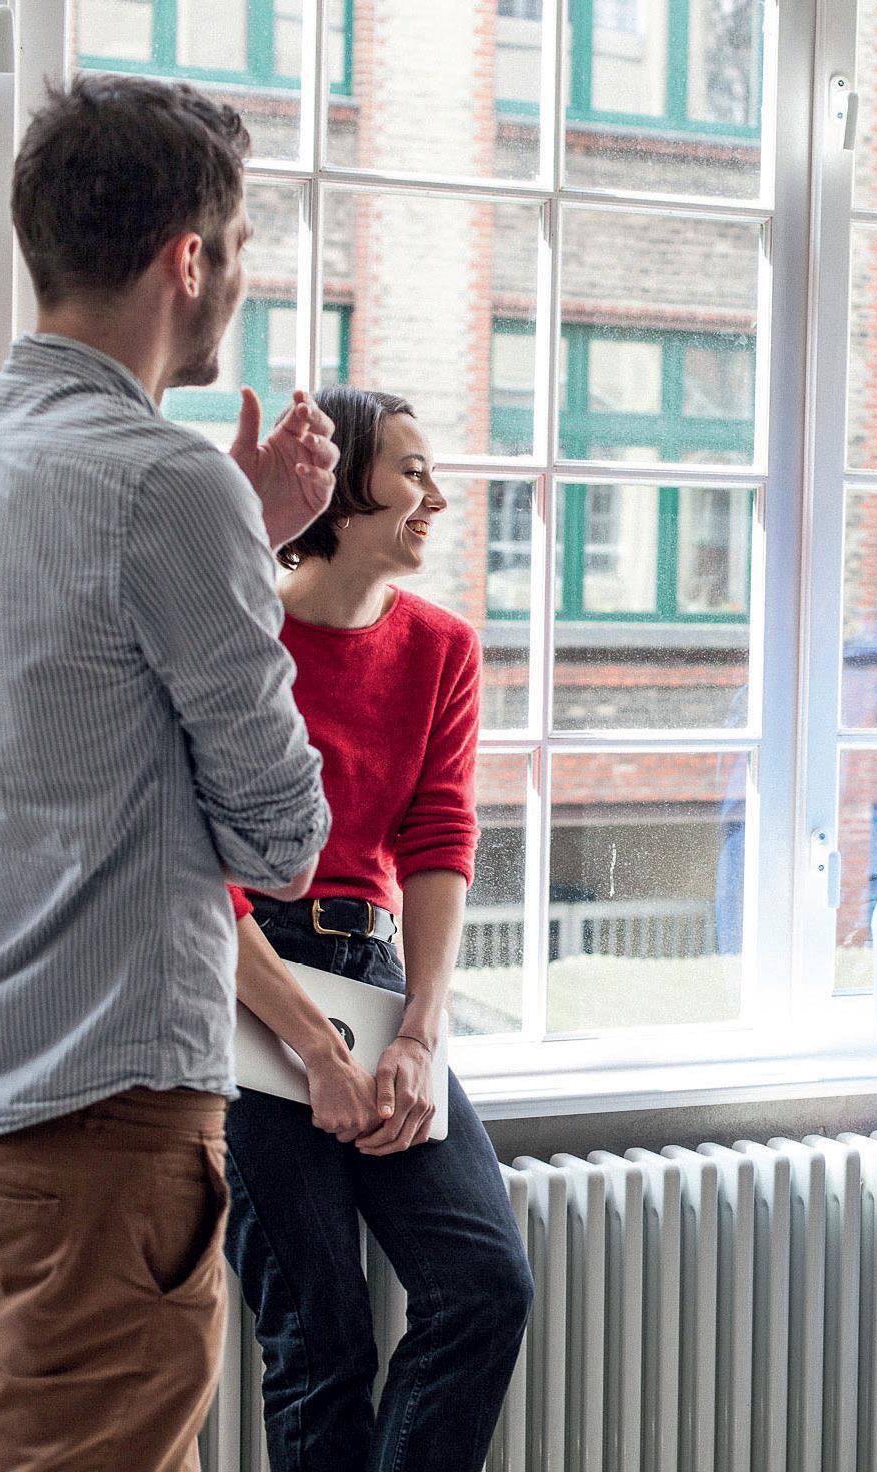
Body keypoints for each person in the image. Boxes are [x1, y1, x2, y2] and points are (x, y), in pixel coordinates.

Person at [0, 74, 337, 1471]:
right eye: (238, 244)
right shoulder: (165, 486)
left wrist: (244, 545)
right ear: (188, 259)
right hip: (103, 1118)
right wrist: (238, 545)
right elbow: (282, 838)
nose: (240, 277)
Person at [223, 386, 533, 1471]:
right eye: (410, 472)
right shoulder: (238, 637)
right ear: (341, 486)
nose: (435, 497)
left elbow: (441, 836)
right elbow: (197, 877)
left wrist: (418, 1034)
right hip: (245, 982)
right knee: (319, 1339)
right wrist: (314, 1046)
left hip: (378, 970)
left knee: (484, 1286)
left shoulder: (441, 647)